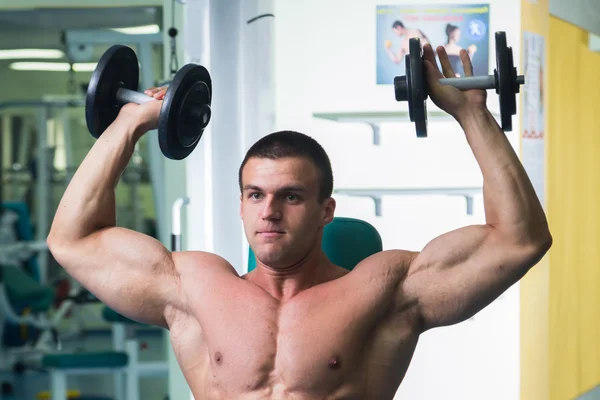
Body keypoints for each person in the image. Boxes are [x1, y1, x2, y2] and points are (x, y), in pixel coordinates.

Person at [47, 44, 552, 399]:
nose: (269, 211)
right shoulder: (194, 288)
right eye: (255, 194)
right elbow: (74, 239)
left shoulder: (384, 290)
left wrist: (473, 116)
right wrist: (128, 124)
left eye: (290, 196)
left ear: (325, 211)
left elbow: (518, 240)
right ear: (241, 205)